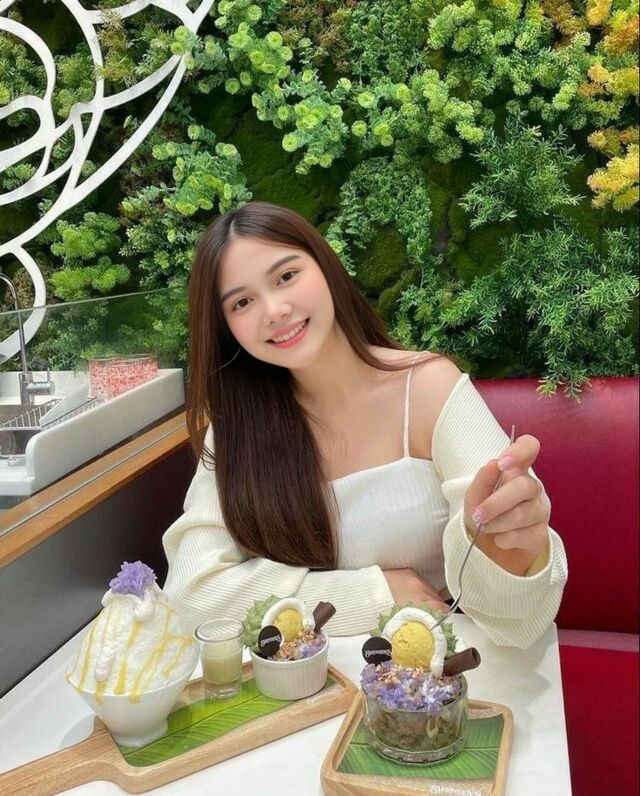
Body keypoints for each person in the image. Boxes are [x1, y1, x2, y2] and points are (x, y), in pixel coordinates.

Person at [162, 201, 568, 646]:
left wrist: (508, 555)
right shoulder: (236, 430)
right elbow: (191, 598)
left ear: (326, 267)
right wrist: (374, 595)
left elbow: (519, 626)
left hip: (441, 674)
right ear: (226, 329)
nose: (274, 310)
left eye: (286, 276)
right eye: (242, 302)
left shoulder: (428, 387)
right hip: (307, 685)